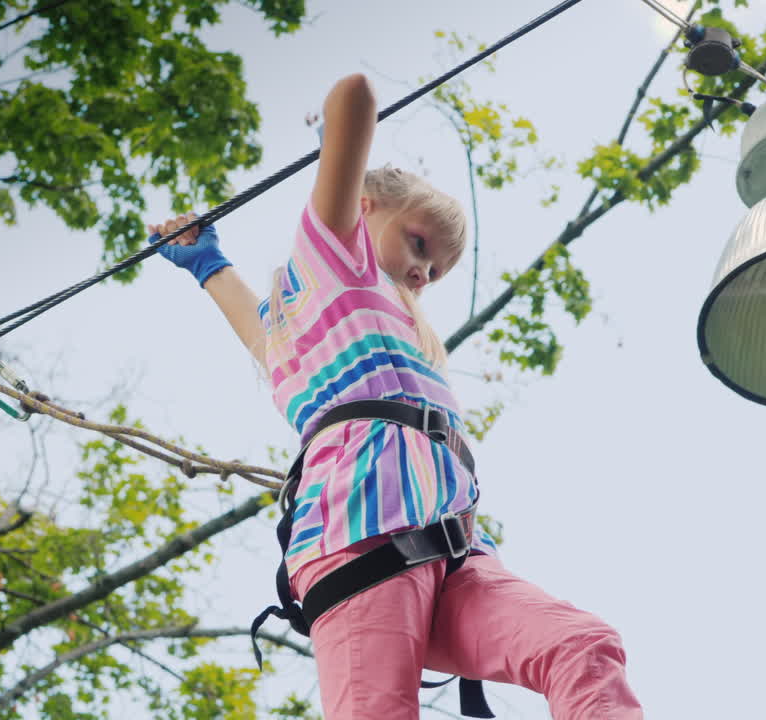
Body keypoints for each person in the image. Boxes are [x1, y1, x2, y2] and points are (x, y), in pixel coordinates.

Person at [147, 73, 642, 720]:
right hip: (357, 535)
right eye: (419, 244)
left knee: (580, 644)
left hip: (453, 547)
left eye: (434, 271)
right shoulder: (339, 264)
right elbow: (354, 93)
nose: (422, 272)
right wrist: (341, 151)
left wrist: (208, 262)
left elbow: (254, 324)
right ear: (367, 209)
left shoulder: (371, 317)